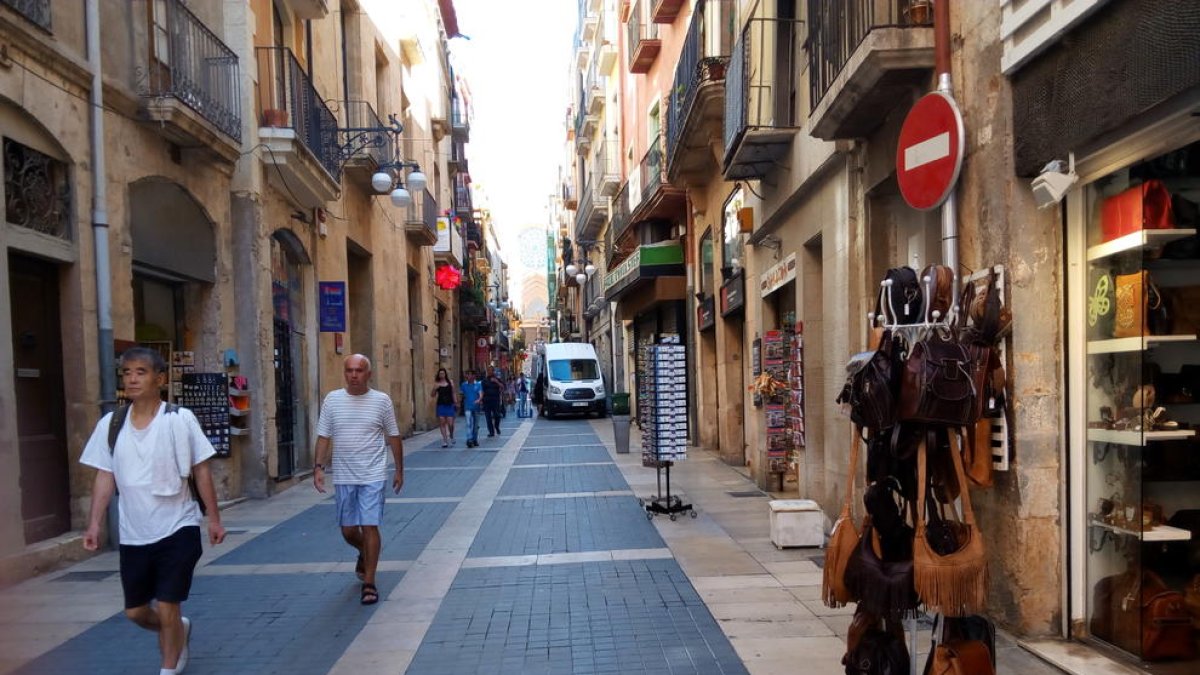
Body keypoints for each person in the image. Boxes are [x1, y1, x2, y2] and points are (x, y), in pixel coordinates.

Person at [81, 347, 226, 675]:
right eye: (127, 373)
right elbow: (105, 476)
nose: (132, 378)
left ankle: (168, 668)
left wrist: (214, 520)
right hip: (134, 533)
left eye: (140, 372)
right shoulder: (111, 424)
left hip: (178, 525)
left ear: (159, 379)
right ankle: (178, 630)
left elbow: (201, 470)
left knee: (167, 604)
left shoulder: (179, 419)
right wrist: (94, 525)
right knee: (135, 612)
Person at [312, 354, 404, 606]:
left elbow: (393, 436)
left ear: (369, 374)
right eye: (350, 370)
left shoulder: (381, 401)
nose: (354, 375)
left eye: (359, 370)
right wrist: (318, 467)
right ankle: (365, 551)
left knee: (370, 525)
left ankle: (369, 582)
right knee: (348, 530)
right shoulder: (332, 400)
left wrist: (399, 470)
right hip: (343, 475)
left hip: (373, 474)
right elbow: (323, 436)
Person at [430, 368, 456, 447]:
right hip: (441, 405)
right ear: (439, 375)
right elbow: (432, 395)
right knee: (442, 423)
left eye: (443, 373)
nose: (442, 375)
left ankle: (451, 435)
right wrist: (434, 389)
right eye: (440, 373)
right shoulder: (437, 384)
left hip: (449, 404)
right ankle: (445, 441)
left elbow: (453, 393)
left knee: (450, 423)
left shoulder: (450, 382)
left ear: (445, 374)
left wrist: (455, 402)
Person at [459, 369, 483, 447]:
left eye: (469, 374)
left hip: (476, 407)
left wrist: (479, 400)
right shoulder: (463, 385)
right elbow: (461, 395)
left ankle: (474, 439)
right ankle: (469, 439)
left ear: (473, 376)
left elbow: (481, 394)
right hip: (467, 407)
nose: (467, 376)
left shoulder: (478, 385)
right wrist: (458, 403)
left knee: (476, 426)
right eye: (467, 374)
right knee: (469, 423)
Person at [481, 367, 505, 437]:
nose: (489, 372)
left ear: (493, 371)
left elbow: (503, 387)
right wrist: (481, 400)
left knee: (497, 415)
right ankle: (491, 432)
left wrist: (496, 382)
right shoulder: (484, 381)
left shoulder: (497, 379)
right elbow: (482, 391)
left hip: (495, 400)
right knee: (488, 417)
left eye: (491, 370)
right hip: (486, 401)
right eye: (488, 370)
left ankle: (497, 427)